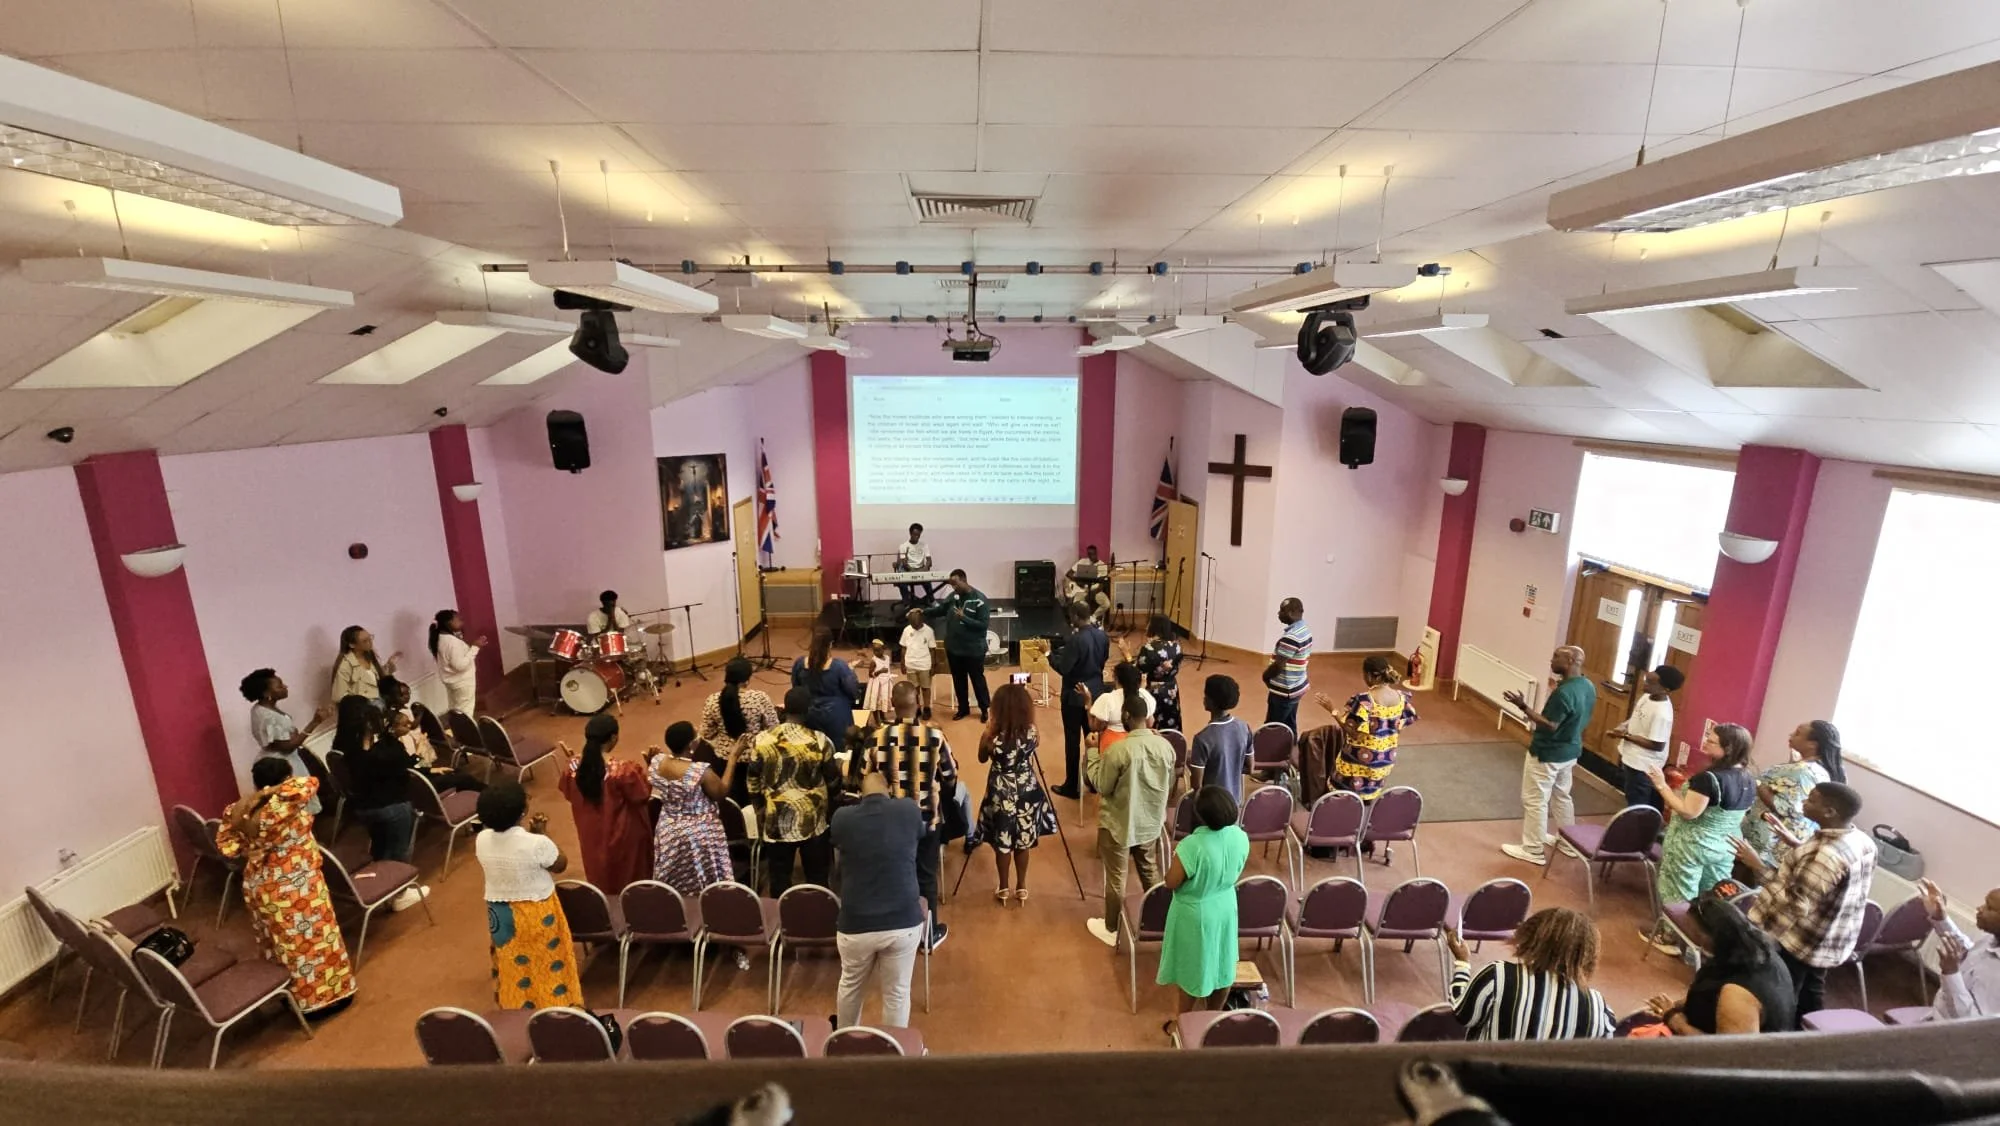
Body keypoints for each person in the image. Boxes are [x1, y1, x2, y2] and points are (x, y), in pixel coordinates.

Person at [214, 757, 356, 1018]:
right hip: (296, 884)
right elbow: (309, 783)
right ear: (286, 779)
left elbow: (228, 847)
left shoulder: (238, 810)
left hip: (260, 884)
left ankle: (290, 996)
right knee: (313, 942)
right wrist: (274, 790)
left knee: (280, 944)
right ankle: (324, 999)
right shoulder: (284, 804)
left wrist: (258, 796)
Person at [1736, 782, 1877, 1023]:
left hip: (1799, 939)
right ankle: (1811, 1029)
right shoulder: (1861, 840)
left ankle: (1782, 1034)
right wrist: (1797, 846)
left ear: (1830, 811)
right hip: (1828, 935)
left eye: (1811, 800)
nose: (1804, 802)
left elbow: (1796, 905)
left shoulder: (1825, 857)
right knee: (1811, 989)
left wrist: (1757, 866)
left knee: (1785, 990)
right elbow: (1827, 878)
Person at [830, 769, 926, 1029]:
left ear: (860, 794)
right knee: (897, 993)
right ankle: (892, 1046)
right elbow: (920, 834)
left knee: (850, 987)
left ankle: (844, 1039)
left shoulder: (842, 818)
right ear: (890, 791)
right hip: (903, 923)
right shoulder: (909, 810)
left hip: (855, 926)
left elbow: (837, 844)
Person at [866, 681, 959, 948]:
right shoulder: (936, 737)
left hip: (889, 824)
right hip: (927, 820)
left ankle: (893, 932)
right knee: (926, 876)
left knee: (892, 873)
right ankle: (928, 935)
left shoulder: (876, 738)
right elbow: (951, 776)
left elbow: (863, 779)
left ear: (892, 705)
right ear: (918, 703)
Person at [474, 780, 582, 1010]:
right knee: (546, 961)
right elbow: (560, 864)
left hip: (500, 912)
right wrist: (543, 835)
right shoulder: (537, 843)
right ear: (522, 811)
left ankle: (516, 1007)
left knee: (513, 960)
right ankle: (555, 1006)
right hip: (536, 912)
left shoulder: (481, 840)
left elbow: (513, 851)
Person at [1085, 695, 1176, 948]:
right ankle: (1160, 921)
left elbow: (1101, 784)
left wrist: (1091, 752)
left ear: (1125, 717)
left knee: (1116, 877)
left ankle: (1111, 928)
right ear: (1147, 718)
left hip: (1119, 823)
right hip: (1150, 822)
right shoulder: (1165, 747)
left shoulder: (1118, 750)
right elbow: (1169, 784)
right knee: (1149, 870)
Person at [1157, 785, 1250, 1031]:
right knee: (1222, 963)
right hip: (1225, 906)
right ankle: (1213, 1019)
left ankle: (1183, 1025)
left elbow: (1171, 881)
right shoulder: (1240, 836)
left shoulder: (1192, 845)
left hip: (1195, 912)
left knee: (1191, 970)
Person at [1446, 907, 1615, 1040]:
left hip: (1483, 1073)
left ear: (1530, 937)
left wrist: (1462, 963)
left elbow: (1462, 1014)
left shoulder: (1498, 975)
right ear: (1588, 955)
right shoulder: (1598, 1008)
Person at [1643, 893, 1795, 1034]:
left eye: (1695, 933)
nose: (1691, 937)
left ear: (1708, 937)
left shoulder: (1737, 995)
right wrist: (1677, 1007)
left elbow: (1727, 1052)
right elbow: (1711, 996)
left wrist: (1677, 1022)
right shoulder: (1757, 950)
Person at [1649, 723, 1757, 919]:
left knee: (1679, 893)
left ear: (1728, 749)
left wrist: (1661, 785)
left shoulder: (1709, 778)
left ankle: (1670, 932)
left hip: (1693, 846)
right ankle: (1701, 930)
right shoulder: (1748, 778)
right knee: (1713, 895)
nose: (1705, 742)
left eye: (1712, 741)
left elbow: (1688, 812)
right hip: (1726, 847)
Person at [330, 695, 428, 911]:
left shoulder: (340, 747)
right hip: (392, 806)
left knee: (381, 848)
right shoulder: (379, 752)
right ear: (367, 721)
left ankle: (384, 890)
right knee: (399, 849)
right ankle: (400, 893)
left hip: (363, 808)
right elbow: (403, 771)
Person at [1500, 646, 1596, 867]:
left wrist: (1523, 706)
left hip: (1548, 753)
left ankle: (1532, 849)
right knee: (1562, 796)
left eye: (1556, 657)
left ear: (1570, 660)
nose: (1551, 660)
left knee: (1535, 800)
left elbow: (1551, 725)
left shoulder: (1564, 693)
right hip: (1570, 751)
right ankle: (1569, 842)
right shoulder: (1587, 685)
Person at [749, 687, 840, 894]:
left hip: (775, 820)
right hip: (813, 821)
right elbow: (833, 780)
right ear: (808, 711)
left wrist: (759, 809)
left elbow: (753, 780)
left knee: (779, 880)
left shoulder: (762, 740)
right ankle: (818, 911)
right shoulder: (820, 740)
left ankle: (781, 913)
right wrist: (832, 806)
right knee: (817, 879)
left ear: (785, 709)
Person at [977, 682, 1059, 903]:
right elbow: (1035, 745)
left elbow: (982, 758)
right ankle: (1021, 886)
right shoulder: (1031, 732)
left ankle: (1003, 887)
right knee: (1023, 839)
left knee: (1003, 839)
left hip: (1000, 791)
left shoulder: (993, 737)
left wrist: (987, 731)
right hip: (1026, 789)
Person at [556, 713, 653, 894]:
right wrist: (651, 766)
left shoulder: (572, 768)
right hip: (622, 838)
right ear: (614, 737)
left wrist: (574, 759)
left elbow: (569, 792)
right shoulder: (623, 771)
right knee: (629, 880)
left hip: (590, 838)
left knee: (599, 877)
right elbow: (642, 795)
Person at [1312, 654, 1419, 805]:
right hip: (1385, 760)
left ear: (1369, 675)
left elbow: (1353, 733)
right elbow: (1399, 725)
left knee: (1342, 797)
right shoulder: (1401, 698)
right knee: (1367, 797)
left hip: (1359, 761)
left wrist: (1332, 710)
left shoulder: (1364, 701)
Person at [650, 720, 738, 896]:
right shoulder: (699, 771)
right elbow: (721, 792)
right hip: (700, 833)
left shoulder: (657, 762)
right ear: (691, 745)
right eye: (696, 735)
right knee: (707, 882)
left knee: (675, 881)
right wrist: (733, 757)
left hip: (668, 830)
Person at [1742, 720, 1846, 868]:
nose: (1791, 735)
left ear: (1812, 744)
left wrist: (1757, 782)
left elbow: (1784, 807)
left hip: (1767, 843)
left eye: (1798, 733)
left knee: (1748, 878)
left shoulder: (1803, 771)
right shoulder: (1817, 770)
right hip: (1785, 841)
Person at [240, 668, 334, 815]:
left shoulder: (262, 709)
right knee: (296, 808)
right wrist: (315, 722)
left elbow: (287, 736)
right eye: (279, 686)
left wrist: (295, 733)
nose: (285, 687)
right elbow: (288, 746)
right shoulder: (267, 717)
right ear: (266, 694)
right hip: (281, 764)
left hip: (283, 759)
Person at [378, 676, 484, 794]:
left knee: (457, 773)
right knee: (463, 778)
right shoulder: (400, 745)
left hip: (423, 775)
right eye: (404, 725)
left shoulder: (392, 744)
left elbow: (414, 765)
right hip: (423, 785)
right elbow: (414, 768)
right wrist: (420, 752)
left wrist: (433, 769)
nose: (409, 726)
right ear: (392, 728)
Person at [700, 657, 780, 810]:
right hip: (756, 760)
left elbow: (706, 733)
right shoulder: (759, 698)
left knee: (733, 806)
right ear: (747, 679)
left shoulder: (712, 700)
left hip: (725, 762)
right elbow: (774, 729)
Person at [1049, 599, 1109, 800]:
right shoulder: (1102, 635)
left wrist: (1048, 654)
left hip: (1074, 695)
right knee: (1093, 736)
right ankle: (1094, 780)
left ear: (1075, 616)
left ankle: (1071, 786)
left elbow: (1064, 668)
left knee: (1072, 739)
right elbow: (1102, 661)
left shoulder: (1076, 640)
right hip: (1096, 692)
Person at [1918, 878, 2000, 1020]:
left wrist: (1951, 973)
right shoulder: (1992, 938)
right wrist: (1941, 918)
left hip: (1948, 1031)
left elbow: (1972, 1023)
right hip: (1936, 1016)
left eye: (1989, 907)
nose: (1979, 908)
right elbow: (1972, 953)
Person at [1609, 665, 1682, 812]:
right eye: (1646, 680)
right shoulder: (1648, 696)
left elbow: (1657, 745)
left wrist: (1625, 736)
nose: (1645, 685)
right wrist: (1624, 726)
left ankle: (1637, 826)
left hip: (1643, 766)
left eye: (1651, 683)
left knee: (1637, 805)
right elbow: (1637, 716)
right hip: (1632, 758)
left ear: (1665, 689)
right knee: (1632, 798)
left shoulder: (1662, 714)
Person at [925, 569, 991, 722]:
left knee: (977, 680)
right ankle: (963, 709)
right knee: (958, 680)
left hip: (973, 650)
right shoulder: (952, 597)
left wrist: (964, 618)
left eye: (956, 584)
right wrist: (924, 612)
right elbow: (940, 610)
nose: (954, 587)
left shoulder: (979, 600)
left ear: (964, 580)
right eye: (952, 584)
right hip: (954, 649)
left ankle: (984, 709)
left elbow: (983, 625)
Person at [790, 627, 862, 754]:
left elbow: (796, 690)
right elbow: (853, 691)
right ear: (831, 644)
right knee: (840, 751)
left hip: (809, 716)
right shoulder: (839, 667)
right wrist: (851, 671)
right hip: (836, 717)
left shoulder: (799, 664)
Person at [1188, 675, 1250, 805]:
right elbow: (1250, 767)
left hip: (1212, 806)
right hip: (1234, 802)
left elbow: (1197, 785)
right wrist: (1230, 768)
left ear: (1210, 701)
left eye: (1205, 695)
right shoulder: (1244, 727)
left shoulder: (1202, 738)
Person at [1125, 615, 1185, 733]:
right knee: (1171, 720)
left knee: (1154, 724)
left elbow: (1137, 671)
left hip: (1153, 691)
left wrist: (1126, 653)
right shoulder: (1177, 647)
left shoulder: (1148, 649)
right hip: (1171, 688)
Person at [1262, 597, 1312, 734]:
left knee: (1273, 726)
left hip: (1285, 690)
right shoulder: (1304, 629)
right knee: (1289, 723)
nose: (1279, 613)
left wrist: (1266, 677)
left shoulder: (1291, 638)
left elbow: (1278, 666)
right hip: (1297, 686)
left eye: (1281, 611)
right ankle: (1292, 745)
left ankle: (1272, 747)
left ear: (1290, 613)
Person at [1086, 662, 1156, 755]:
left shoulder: (1107, 699)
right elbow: (1150, 723)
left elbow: (1096, 727)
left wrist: (1088, 703)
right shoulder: (1144, 695)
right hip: (1140, 745)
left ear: (1116, 679)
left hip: (1112, 747)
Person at [427, 609, 486, 716]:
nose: (461, 621)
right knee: (465, 713)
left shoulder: (440, 637)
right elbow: (460, 665)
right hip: (462, 683)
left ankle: (455, 726)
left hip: (452, 682)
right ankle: (465, 727)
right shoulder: (452, 642)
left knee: (455, 709)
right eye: (458, 619)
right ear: (449, 623)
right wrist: (475, 647)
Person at [330, 625, 399, 705]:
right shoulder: (346, 665)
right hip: (361, 708)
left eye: (370, 638)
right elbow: (339, 696)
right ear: (352, 645)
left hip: (379, 705)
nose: (370, 642)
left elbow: (375, 681)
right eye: (365, 641)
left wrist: (389, 666)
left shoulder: (370, 658)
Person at [893, 523, 932, 606]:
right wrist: (913, 571)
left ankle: (932, 600)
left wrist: (924, 569)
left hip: (921, 569)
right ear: (910, 533)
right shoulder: (903, 546)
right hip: (909, 570)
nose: (917, 537)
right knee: (902, 582)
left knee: (927, 580)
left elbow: (929, 560)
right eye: (915, 534)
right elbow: (904, 563)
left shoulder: (924, 545)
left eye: (919, 535)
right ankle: (906, 604)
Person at [861, 639, 897, 721]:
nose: (876, 652)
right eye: (874, 651)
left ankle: (882, 717)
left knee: (882, 700)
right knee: (875, 701)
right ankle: (877, 720)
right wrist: (880, 671)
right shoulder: (874, 661)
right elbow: (870, 674)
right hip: (876, 684)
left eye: (878, 650)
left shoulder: (887, 658)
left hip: (885, 684)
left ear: (883, 649)